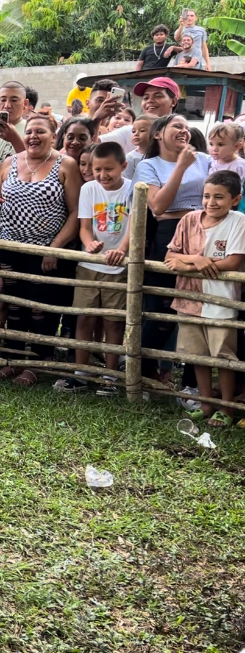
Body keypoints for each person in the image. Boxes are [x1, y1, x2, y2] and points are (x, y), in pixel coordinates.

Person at [0, 114, 83, 387]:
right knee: (15, 304)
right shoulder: (9, 162)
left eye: (41, 131)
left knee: (42, 308)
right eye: (29, 132)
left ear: (54, 136)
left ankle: (38, 362)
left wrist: (55, 248)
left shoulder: (66, 164)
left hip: (47, 251)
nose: (33, 136)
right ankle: (14, 359)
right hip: (11, 247)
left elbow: (76, 213)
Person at [136, 113, 212, 395]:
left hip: (207, 231)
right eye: (177, 126)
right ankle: (143, 374)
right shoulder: (149, 166)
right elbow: (158, 206)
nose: (184, 130)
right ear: (158, 133)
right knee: (161, 308)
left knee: (203, 308)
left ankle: (192, 385)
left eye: (187, 127)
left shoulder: (206, 160)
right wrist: (181, 166)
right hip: (168, 234)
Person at [165, 171, 245, 426]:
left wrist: (186, 264)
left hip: (221, 300)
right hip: (189, 298)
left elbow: (232, 261)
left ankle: (227, 407)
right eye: (207, 196)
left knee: (222, 356)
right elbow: (170, 257)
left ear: (235, 200)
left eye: (219, 197)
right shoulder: (189, 219)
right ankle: (206, 403)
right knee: (197, 355)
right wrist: (196, 260)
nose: (211, 202)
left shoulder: (238, 221)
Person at [55, 142, 132, 394]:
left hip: (119, 267)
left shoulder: (133, 189)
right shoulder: (89, 189)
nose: (102, 174)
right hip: (89, 265)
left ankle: (110, 376)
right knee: (84, 318)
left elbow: (134, 227)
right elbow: (85, 227)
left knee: (113, 323)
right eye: (97, 169)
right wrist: (89, 244)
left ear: (123, 166)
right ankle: (81, 373)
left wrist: (121, 249)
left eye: (109, 169)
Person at [124, 114, 155, 180]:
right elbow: (127, 180)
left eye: (142, 130)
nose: (136, 134)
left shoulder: (162, 155)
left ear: (155, 134)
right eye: (133, 131)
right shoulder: (130, 158)